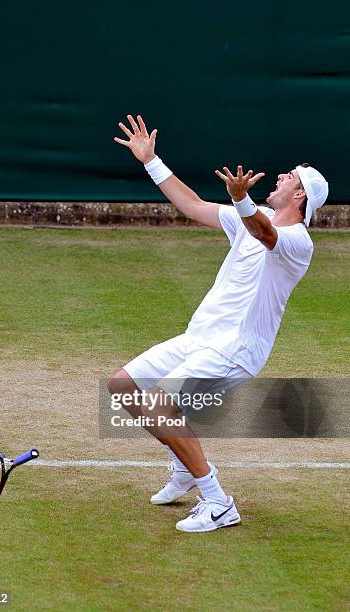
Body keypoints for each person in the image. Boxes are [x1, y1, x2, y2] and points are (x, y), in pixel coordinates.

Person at [108, 114, 328, 533]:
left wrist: (241, 200)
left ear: (299, 194)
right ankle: (185, 468)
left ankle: (218, 500)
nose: (281, 176)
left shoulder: (299, 241)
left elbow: (265, 233)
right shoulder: (252, 217)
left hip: (236, 350)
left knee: (160, 404)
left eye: (290, 176)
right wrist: (151, 161)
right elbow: (192, 206)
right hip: (200, 338)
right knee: (123, 386)